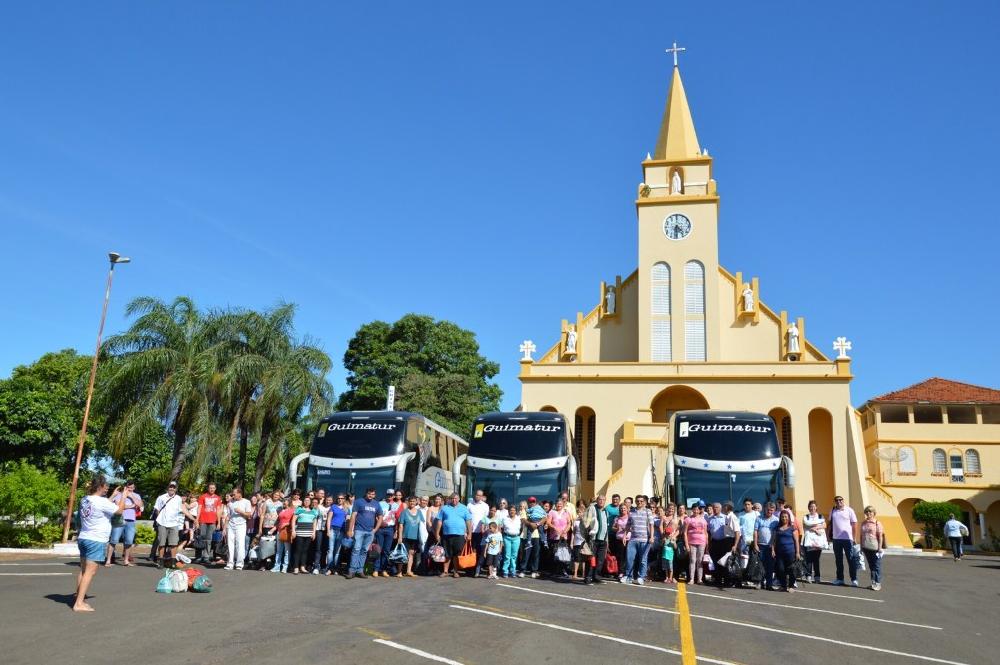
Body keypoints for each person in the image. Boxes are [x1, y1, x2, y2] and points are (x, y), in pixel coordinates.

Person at [73, 475, 129, 612]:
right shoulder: (101, 501)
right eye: (106, 486)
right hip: (96, 539)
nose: (107, 488)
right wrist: (123, 496)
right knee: (90, 572)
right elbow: (119, 511)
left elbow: (100, 506)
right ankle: (78, 603)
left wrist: (113, 496)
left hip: (84, 537)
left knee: (84, 570)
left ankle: (79, 598)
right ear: (100, 487)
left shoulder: (85, 499)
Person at [345, 488, 383, 579]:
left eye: (372, 494)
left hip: (370, 532)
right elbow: (353, 516)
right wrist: (350, 530)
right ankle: (352, 571)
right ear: (366, 493)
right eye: (369, 494)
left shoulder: (376, 504)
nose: (371, 496)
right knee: (356, 550)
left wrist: (375, 529)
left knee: (364, 551)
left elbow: (380, 517)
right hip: (359, 530)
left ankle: (360, 570)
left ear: (375, 495)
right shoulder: (358, 502)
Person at [104, 480, 143, 567]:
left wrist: (132, 496)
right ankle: (108, 560)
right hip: (119, 519)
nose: (130, 489)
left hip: (131, 520)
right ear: (125, 487)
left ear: (134, 488)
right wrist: (131, 506)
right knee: (114, 540)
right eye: (128, 487)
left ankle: (126, 560)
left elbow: (140, 505)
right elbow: (118, 506)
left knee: (129, 541)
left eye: (132, 487)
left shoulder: (136, 495)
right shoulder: (119, 495)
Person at [153, 481, 191, 568]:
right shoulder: (161, 497)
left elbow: (181, 510)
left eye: (174, 487)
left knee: (173, 543)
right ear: (168, 488)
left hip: (174, 524)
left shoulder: (178, 499)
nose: (172, 489)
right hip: (162, 523)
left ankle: (173, 562)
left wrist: (192, 519)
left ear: (176, 489)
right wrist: (160, 519)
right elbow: (157, 509)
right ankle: (160, 561)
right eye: (170, 487)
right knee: (162, 543)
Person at [435, 492, 472, 578]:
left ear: (459, 499)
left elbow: (468, 521)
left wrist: (470, 533)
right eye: (452, 498)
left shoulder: (464, 508)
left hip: (460, 535)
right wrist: (437, 533)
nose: (454, 500)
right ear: (450, 499)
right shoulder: (444, 508)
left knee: (457, 554)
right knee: (447, 554)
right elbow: (439, 521)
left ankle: (456, 571)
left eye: (456, 498)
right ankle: (445, 571)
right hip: (447, 534)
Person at [827, 495, 859, 586]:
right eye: (837, 500)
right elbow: (829, 524)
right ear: (835, 502)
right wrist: (828, 537)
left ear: (843, 501)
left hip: (848, 539)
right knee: (838, 560)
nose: (839, 501)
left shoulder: (849, 510)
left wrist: (854, 538)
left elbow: (854, 524)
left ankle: (854, 579)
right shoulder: (833, 511)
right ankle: (840, 579)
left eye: (840, 500)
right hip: (836, 539)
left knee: (851, 559)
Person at [623, 495, 654, 585]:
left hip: (644, 540)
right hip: (633, 539)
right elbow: (628, 525)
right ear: (635, 502)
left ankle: (641, 577)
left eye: (641, 501)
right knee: (629, 558)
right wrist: (624, 536)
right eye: (638, 501)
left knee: (643, 559)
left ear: (644, 502)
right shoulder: (631, 512)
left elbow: (651, 525)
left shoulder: (648, 511)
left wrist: (651, 537)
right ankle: (628, 576)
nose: (639, 502)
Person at [583, 495, 610, 584]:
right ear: (597, 500)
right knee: (591, 559)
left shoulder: (606, 511)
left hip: (603, 540)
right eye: (600, 499)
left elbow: (606, 527)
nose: (601, 501)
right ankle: (588, 577)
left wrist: (607, 541)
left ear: (605, 501)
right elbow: (586, 522)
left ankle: (596, 577)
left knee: (600, 560)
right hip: (593, 539)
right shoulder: (592, 508)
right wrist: (587, 535)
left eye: (603, 500)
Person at [771, 509, 800, 592]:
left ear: (788, 518)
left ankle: (791, 586)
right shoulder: (777, 528)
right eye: (782, 517)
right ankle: (783, 586)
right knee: (780, 569)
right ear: (780, 518)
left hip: (790, 552)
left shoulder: (792, 528)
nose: (784, 518)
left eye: (786, 517)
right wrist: (773, 550)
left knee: (791, 570)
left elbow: (796, 541)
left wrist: (797, 552)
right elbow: (774, 540)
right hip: (779, 553)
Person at [224, 487, 252, 571]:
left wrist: (241, 511)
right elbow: (228, 515)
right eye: (232, 494)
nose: (233, 496)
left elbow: (249, 515)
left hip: (241, 525)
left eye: (234, 494)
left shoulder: (246, 502)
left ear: (239, 494)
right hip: (231, 525)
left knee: (240, 544)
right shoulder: (230, 503)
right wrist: (225, 527)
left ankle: (239, 563)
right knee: (230, 544)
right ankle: (230, 563)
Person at [396, 495, 425, 577]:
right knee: (402, 554)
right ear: (408, 502)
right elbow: (401, 525)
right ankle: (399, 572)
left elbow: (422, 524)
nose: (412, 503)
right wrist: (400, 537)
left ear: (416, 502)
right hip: (405, 536)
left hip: (415, 537)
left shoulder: (419, 512)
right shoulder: (404, 512)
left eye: (413, 501)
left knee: (411, 554)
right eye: (410, 501)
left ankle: (408, 571)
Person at [753, 502, 779, 590]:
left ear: (774, 510)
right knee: (760, 565)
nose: (769, 511)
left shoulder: (776, 520)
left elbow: (775, 535)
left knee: (770, 566)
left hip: (770, 546)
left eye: (771, 510)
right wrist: (755, 544)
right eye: (768, 509)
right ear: (764, 509)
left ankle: (769, 584)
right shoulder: (759, 518)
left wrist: (773, 547)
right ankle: (760, 582)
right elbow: (755, 532)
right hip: (760, 545)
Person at [291, 496, 319, 575]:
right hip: (299, 533)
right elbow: (293, 520)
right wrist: (293, 530)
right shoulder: (299, 509)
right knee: (298, 550)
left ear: (310, 502)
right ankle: (296, 567)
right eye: (305, 500)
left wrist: (314, 532)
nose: (307, 502)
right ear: (303, 501)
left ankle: (303, 567)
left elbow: (315, 523)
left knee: (305, 551)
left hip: (309, 533)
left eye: (308, 500)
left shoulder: (314, 511)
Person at [860, 506, 886, 591]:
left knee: (876, 566)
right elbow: (861, 535)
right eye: (867, 511)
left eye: (870, 511)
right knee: (871, 566)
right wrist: (861, 546)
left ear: (874, 513)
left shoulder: (877, 523)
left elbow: (880, 536)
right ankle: (873, 583)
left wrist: (880, 548)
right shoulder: (863, 523)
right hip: (866, 547)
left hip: (875, 548)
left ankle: (878, 583)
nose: (868, 513)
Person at [801, 500, 828, 583]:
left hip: (818, 542)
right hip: (809, 541)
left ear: (816, 507)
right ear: (808, 508)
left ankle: (817, 576)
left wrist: (816, 528)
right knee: (808, 559)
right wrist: (817, 526)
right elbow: (806, 525)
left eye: (814, 506)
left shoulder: (820, 516)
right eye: (811, 506)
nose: (812, 508)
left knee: (816, 559)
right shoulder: (806, 517)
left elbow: (825, 525)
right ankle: (808, 576)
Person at [374, 489, 399, 578]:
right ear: (386, 495)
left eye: (391, 495)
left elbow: (397, 519)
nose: (390, 496)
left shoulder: (396, 505)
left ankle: (383, 570)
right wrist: (379, 523)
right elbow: (376, 516)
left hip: (390, 529)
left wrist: (396, 531)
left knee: (386, 551)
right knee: (378, 549)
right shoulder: (380, 503)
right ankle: (376, 569)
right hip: (380, 529)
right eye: (388, 495)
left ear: (394, 496)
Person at [546, 498, 573, 579]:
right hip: (554, 537)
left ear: (563, 505)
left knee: (563, 554)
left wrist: (565, 531)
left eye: (560, 504)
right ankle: (554, 572)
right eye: (558, 504)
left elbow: (569, 523)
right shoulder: (552, 512)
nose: (559, 505)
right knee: (554, 554)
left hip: (563, 537)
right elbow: (548, 522)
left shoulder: (566, 512)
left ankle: (563, 571)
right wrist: (554, 527)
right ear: (555, 504)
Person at [682, 502, 708, 585]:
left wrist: (707, 544)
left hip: (702, 542)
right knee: (692, 560)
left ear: (699, 510)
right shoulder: (688, 519)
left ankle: (699, 579)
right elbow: (685, 532)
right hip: (691, 542)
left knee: (700, 561)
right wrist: (686, 544)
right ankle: (691, 579)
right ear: (692, 510)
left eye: (697, 509)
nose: (696, 511)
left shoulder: (703, 520)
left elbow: (706, 532)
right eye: (694, 509)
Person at [196, 482, 222, 564]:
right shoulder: (203, 496)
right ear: (208, 488)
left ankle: (206, 556)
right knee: (201, 538)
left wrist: (218, 522)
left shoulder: (218, 498)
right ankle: (199, 556)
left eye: (213, 488)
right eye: (210, 488)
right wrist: (197, 520)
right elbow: (199, 508)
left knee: (209, 540)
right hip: (203, 520)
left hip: (212, 521)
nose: (212, 489)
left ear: (215, 489)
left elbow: (218, 510)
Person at [467, 489, 490, 578]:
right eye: (477, 495)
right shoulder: (469, 505)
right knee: (471, 551)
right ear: (474, 495)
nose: (478, 497)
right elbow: (467, 518)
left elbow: (486, 519)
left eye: (480, 495)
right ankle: (471, 569)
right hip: (471, 532)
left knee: (480, 552)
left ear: (482, 496)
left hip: (481, 533)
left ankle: (478, 569)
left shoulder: (485, 506)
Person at [324, 494, 349, 575]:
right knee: (330, 550)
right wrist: (328, 530)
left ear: (344, 499)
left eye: (342, 498)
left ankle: (335, 568)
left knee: (337, 551)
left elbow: (348, 521)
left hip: (341, 531)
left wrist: (347, 531)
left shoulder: (346, 509)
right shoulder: (333, 507)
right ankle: (329, 568)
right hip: (333, 530)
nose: (340, 499)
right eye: (338, 498)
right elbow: (329, 519)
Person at [523, 497, 546, 578]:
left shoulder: (539, 509)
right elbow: (523, 520)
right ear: (528, 502)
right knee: (526, 554)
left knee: (536, 555)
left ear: (535, 502)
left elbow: (544, 518)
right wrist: (531, 524)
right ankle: (523, 570)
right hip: (527, 536)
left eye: (533, 501)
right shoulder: (525, 510)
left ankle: (534, 571)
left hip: (537, 536)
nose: (532, 503)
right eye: (530, 501)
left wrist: (538, 524)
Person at [271, 499, 295, 573]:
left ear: (289, 503)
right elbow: (279, 521)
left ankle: (285, 566)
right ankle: (277, 566)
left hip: (287, 531)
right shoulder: (281, 510)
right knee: (279, 550)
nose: (284, 502)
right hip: (279, 531)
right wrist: (274, 528)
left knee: (287, 550)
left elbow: (294, 521)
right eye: (283, 501)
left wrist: (286, 524)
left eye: (285, 501)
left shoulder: (292, 511)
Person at [501, 504, 523, 579]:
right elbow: (501, 529)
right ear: (508, 511)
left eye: (514, 510)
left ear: (516, 511)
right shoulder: (505, 519)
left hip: (516, 538)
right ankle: (505, 571)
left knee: (514, 556)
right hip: (507, 538)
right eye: (511, 510)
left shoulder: (518, 518)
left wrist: (517, 535)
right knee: (507, 555)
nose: (512, 511)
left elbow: (521, 529)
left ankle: (513, 571)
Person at [312, 495, 331, 574]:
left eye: (330, 500)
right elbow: (315, 517)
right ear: (324, 500)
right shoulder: (320, 507)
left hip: (327, 530)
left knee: (325, 549)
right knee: (318, 548)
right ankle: (316, 567)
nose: (328, 501)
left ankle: (323, 566)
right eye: (327, 500)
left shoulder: (332, 508)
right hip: (319, 529)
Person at [661, 502, 679, 584]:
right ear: (667, 509)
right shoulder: (664, 517)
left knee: (673, 560)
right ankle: (666, 577)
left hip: (673, 540)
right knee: (665, 559)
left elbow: (678, 530)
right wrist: (663, 536)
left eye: (672, 509)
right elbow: (661, 527)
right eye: (670, 508)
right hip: (665, 539)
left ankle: (673, 577)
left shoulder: (676, 518)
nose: (671, 510)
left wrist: (674, 536)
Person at [612, 503, 631, 580]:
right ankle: (621, 572)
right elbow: (613, 528)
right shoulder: (617, 518)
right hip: (619, 539)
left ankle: (627, 572)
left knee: (628, 556)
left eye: (624, 508)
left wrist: (626, 529)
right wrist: (617, 529)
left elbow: (633, 528)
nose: (623, 510)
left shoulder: (630, 517)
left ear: (627, 509)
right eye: (621, 508)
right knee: (620, 557)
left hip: (628, 539)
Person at [571, 499, 589, 581]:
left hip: (585, 542)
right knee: (577, 558)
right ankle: (575, 574)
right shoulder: (575, 521)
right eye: (578, 512)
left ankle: (584, 574)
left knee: (584, 559)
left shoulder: (587, 521)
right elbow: (573, 532)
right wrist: (571, 542)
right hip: (577, 541)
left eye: (581, 512)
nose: (580, 514)